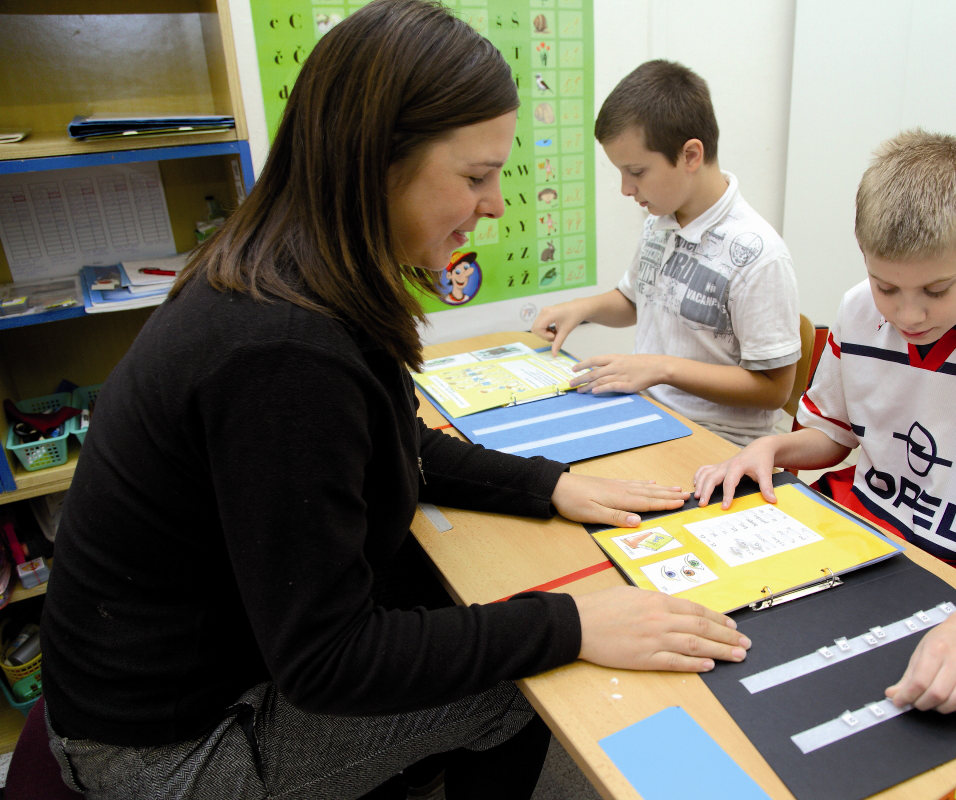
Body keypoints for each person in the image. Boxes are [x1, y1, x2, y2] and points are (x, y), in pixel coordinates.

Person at [38, 4, 752, 799]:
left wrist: (547, 484)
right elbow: (327, 659)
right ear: (375, 162)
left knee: (449, 599)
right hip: (169, 747)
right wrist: (575, 623)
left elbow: (397, 442)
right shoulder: (281, 352)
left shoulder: (294, 273)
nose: (495, 206)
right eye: (477, 176)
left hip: (186, 675)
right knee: (518, 689)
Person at [692, 130, 956, 717]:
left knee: (876, 705)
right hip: (865, 520)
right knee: (734, 634)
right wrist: (775, 448)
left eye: (936, 290)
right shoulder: (858, 310)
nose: (907, 314)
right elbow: (833, 436)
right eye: (886, 285)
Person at [532, 60, 802, 446]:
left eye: (637, 172)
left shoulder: (758, 255)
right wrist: (581, 308)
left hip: (717, 439)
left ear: (691, 155)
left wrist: (661, 368)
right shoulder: (661, 219)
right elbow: (637, 299)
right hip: (648, 411)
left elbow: (774, 390)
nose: (626, 188)